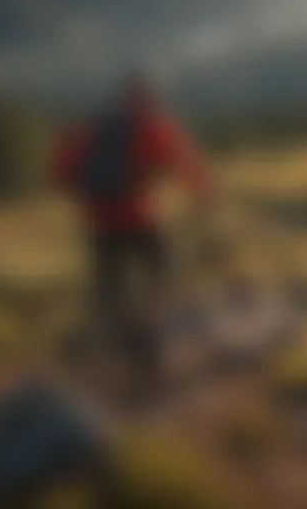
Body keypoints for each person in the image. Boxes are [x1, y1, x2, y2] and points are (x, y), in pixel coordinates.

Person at [51, 74, 211, 394]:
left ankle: (102, 349)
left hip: (98, 220)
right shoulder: (152, 125)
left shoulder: (93, 125)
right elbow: (183, 162)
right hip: (138, 215)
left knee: (108, 287)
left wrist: (88, 195)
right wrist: (203, 194)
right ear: (147, 97)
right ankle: (157, 346)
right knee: (161, 271)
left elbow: (59, 169)